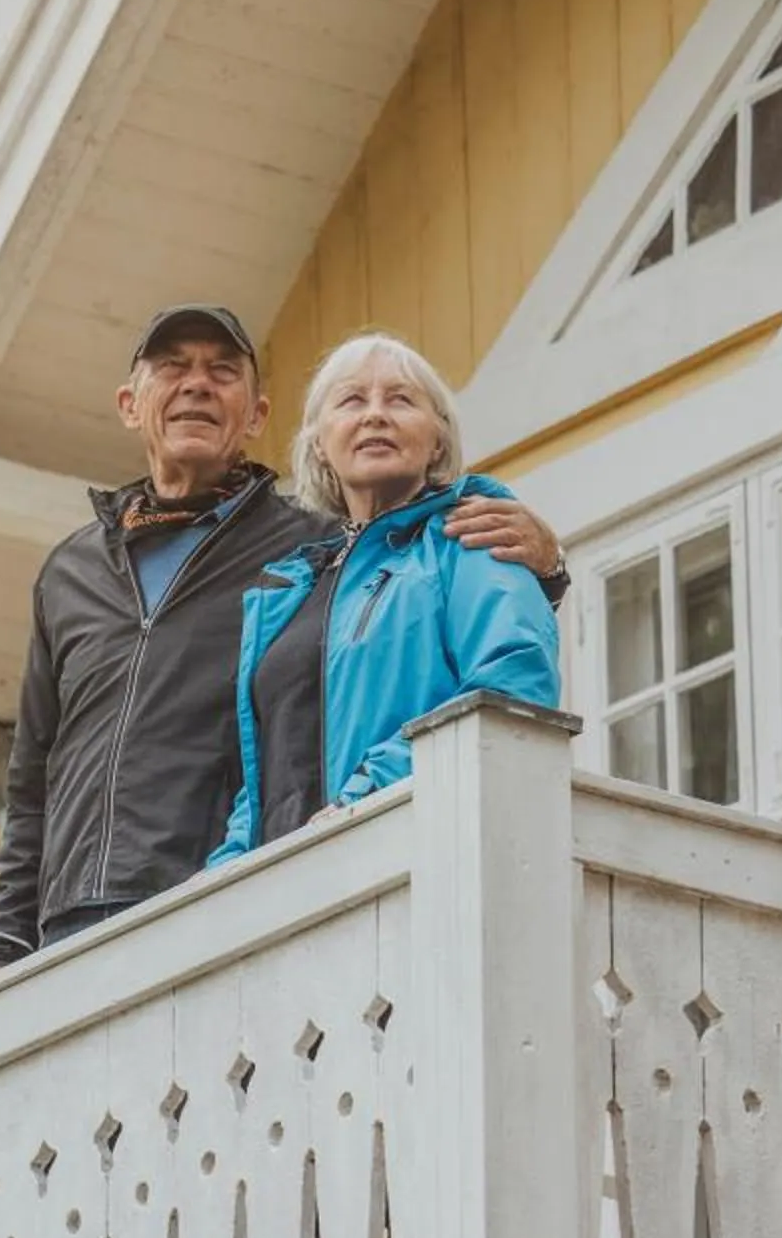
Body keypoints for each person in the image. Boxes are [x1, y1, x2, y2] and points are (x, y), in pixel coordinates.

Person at [0, 305, 562, 975]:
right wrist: (4, 942)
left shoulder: (312, 549)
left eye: (223, 372)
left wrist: (550, 567)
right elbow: (34, 776)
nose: (197, 384)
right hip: (88, 918)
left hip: (254, 908)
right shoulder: (87, 573)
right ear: (130, 405)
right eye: (173, 368)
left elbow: (503, 676)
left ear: (256, 417)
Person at [208, 330, 561, 866]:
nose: (375, 415)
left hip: (419, 861)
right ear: (320, 444)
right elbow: (267, 774)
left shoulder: (471, 537)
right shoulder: (291, 592)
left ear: (438, 440)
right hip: (287, 895)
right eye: (352, 400)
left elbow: (512, 686)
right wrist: (226, 872)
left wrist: (370, 794)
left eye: (400, 399)